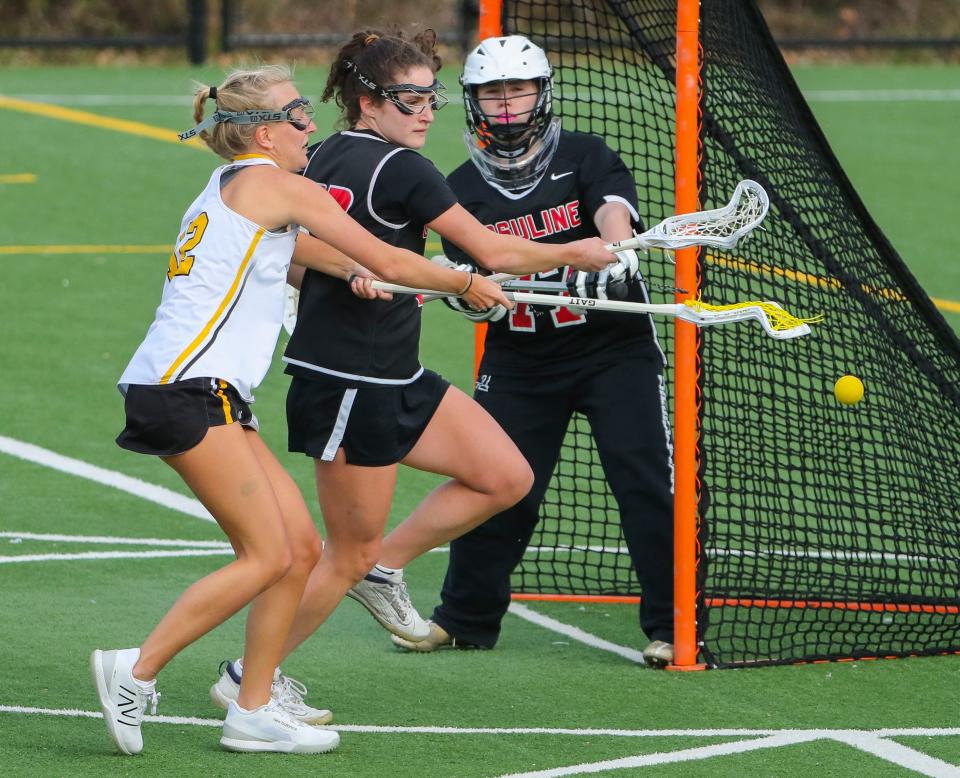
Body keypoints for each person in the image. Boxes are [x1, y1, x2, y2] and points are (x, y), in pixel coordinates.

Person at [92, 64, 512, 757]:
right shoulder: (280, 184)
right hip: (184, 392)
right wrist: (467, 282)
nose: (310, 126)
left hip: (208, 392)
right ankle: (134, 669)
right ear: (263, 132)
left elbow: (306, 253)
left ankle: (252, 709)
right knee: (265, 555)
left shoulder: (238, 185)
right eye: (296, 117)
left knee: (301, 552)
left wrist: (349, 271)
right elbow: (393, 259)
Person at [209, 28, 625, 707]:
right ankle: (248, 678)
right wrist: (580, 253)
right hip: (350, 380)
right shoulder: (403, 169)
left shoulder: (321, 156)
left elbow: (298, 247)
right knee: (341, 552)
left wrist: (362, 267)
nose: (426, 111)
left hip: (397, 372)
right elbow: (495, 252)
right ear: (366, 102)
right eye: (409, 99)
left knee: (505, 476)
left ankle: (385, 569)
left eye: (433, 97)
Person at [389, 35, 676, 668]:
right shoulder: (458, 185)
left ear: (542, 92)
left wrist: (618, 250)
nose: (508, 103)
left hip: (613, 351)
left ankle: (673, 622)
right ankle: (463, 618)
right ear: (473, 103)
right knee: (496, 482)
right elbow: (469, 278)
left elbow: (612, 213)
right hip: (520, 360)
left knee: (644, 479)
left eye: (519, 88)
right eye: (493, 92)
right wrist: (472, 298)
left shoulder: (584, 155)